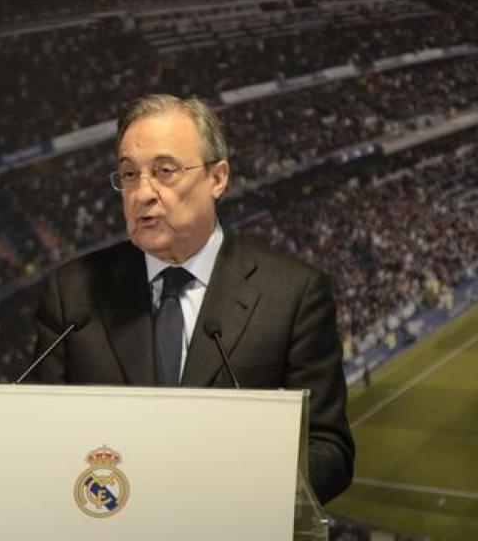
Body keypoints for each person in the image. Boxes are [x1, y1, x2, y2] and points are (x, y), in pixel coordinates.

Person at [31, 94, 354, 504]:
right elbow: (38, 436)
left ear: (217, 178)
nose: (141, 193)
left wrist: (231, 495)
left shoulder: (293, 293)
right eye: (129, 175)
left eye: (164, 171)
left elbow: (329, 451)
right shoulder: (72, 293)